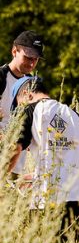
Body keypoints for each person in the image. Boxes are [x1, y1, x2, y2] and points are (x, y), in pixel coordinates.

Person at [9, 76, 79, 243]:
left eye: (19, 103)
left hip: (48, 199)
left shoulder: (31, 110)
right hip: (77, 197)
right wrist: (35, 174)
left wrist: (3, 176)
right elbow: (64, 154)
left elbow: (15, 148)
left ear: (26, 94)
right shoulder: (74, 115)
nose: (20, 109)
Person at [0, 30, 44, 176]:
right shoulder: (1, 77)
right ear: (14, 51)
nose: (31, 63)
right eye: (27, 57)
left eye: (35, 59)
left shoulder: (33, 85)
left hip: (17, 168)